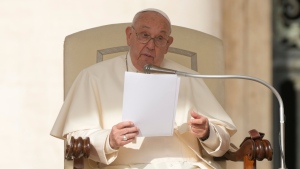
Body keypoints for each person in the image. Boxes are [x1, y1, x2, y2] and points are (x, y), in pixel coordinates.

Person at [51, 8, 237, 169]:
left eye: (160, 38)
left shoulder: (188, 77)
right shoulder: (93, 77)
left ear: (168, 44)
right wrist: (109, 140)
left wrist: (207, 132)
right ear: (129, 36)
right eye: (144, 35)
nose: (150, 45)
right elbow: (75, 140)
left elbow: (223, 144)